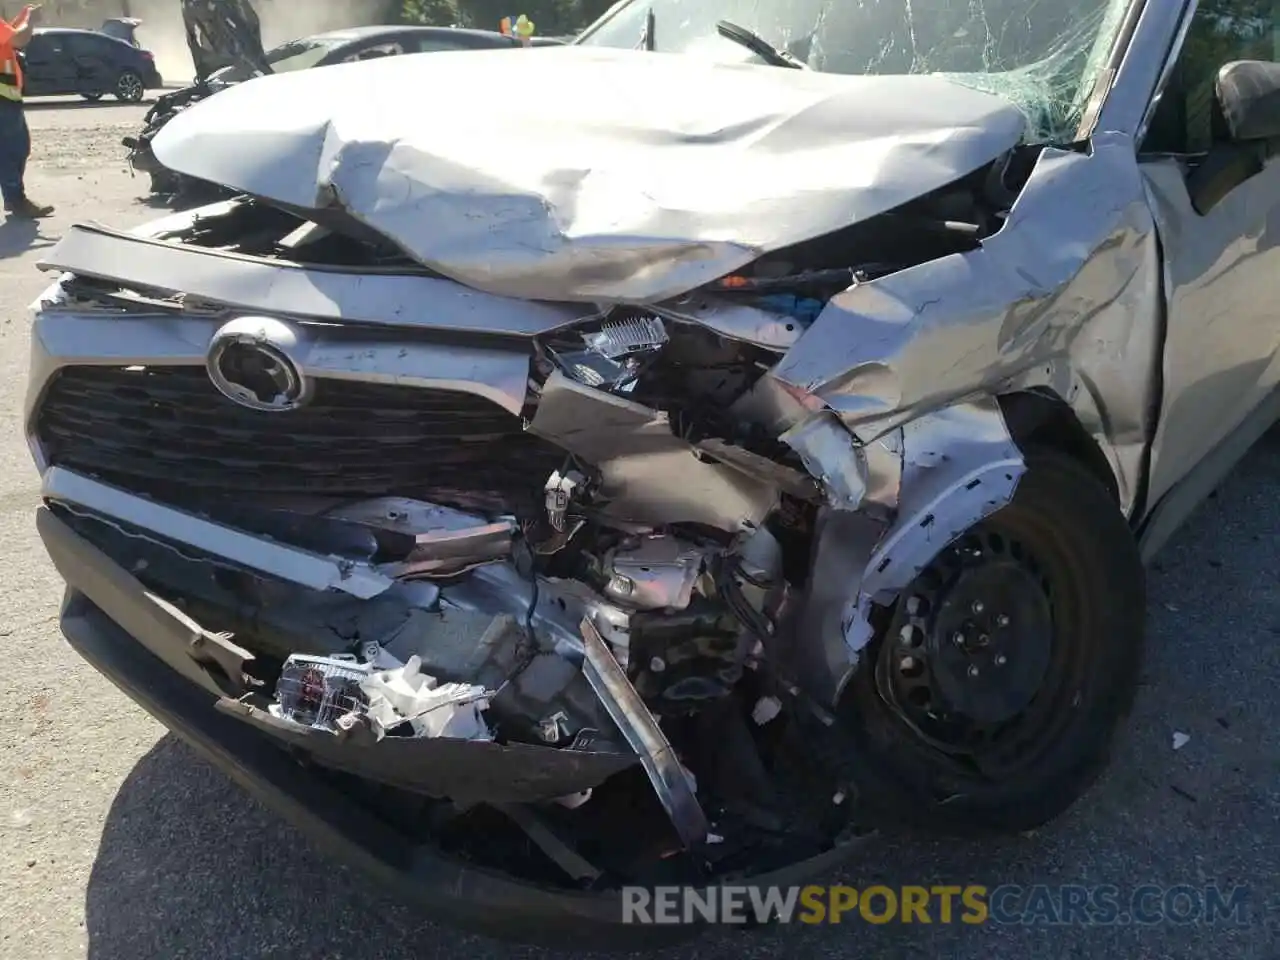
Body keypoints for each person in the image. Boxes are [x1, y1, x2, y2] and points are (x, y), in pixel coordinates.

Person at [0, 2, 53, 219]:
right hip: (3, 101)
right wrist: (30, 20)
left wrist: (23, 18)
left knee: (15, 149)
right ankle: (16, 199)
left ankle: (14, 198)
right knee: (12, 151)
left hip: (7, 99)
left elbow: (9, 37)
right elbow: (20, 39)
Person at [181, 0, 269, 82]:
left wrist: (256, 59)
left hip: (235, 25)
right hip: (218, 35)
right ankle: (245, 59)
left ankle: (252, 59)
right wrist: (201, 70)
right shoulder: (187, 6)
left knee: (245, 22)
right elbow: (191, 39)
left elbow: (240, 24)